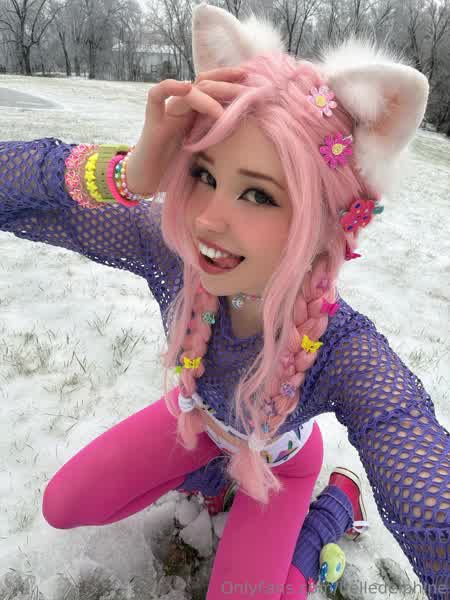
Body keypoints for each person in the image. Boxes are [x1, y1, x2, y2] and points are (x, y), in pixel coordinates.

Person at [0, 4, 448, 599]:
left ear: (325, 223)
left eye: (259, 196)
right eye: (206, 175)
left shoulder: (343, 350)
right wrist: (127, 175)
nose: (209, 219)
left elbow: (422, 479)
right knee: (64, 504)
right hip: (198, 425)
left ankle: (335, 508)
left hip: (279, 464)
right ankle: (215, 479)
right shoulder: (170, 251)